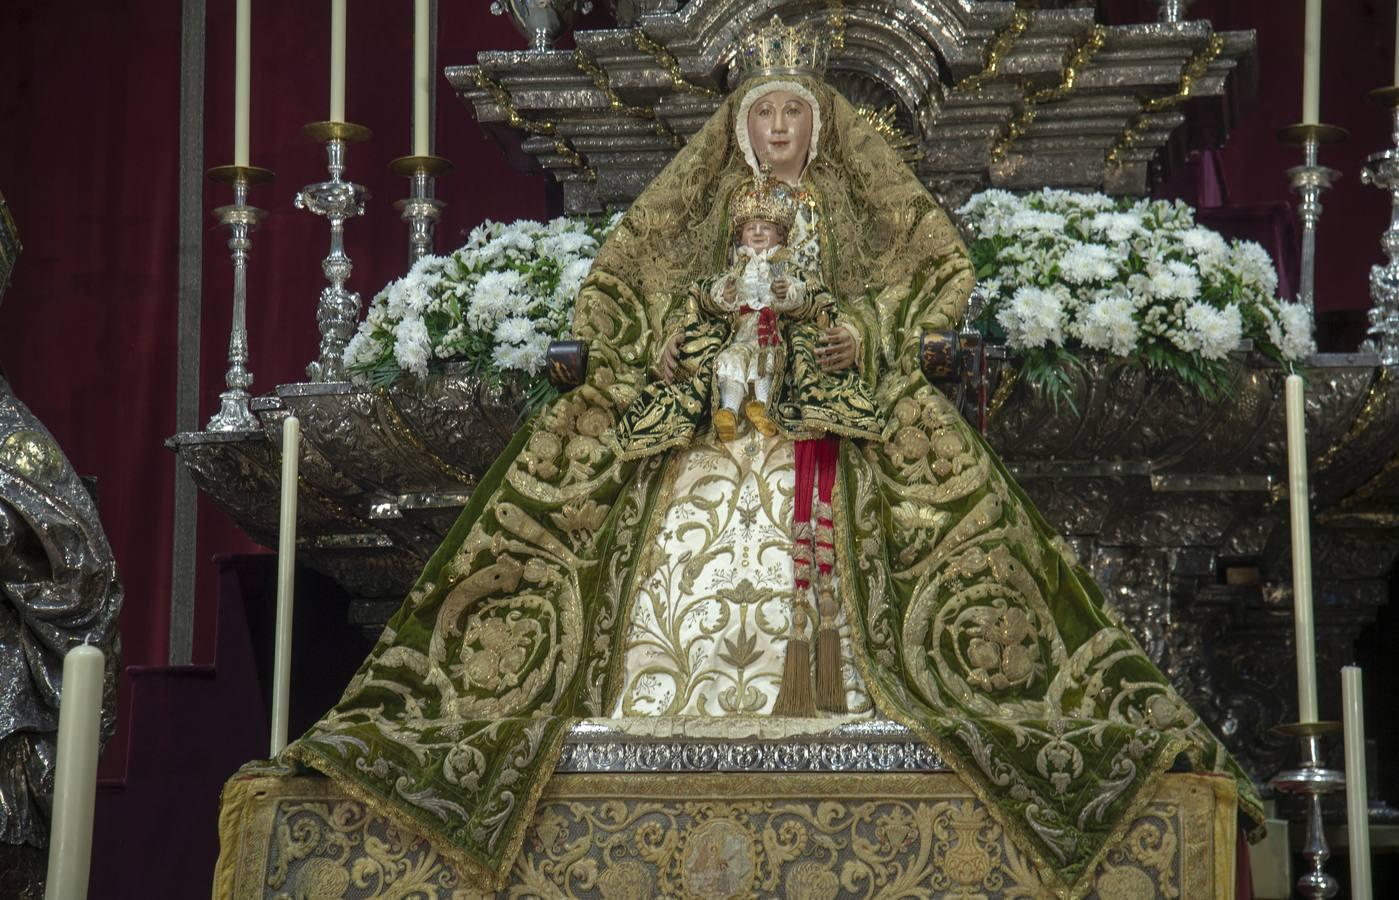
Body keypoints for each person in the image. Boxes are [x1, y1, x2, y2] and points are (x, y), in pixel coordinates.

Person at [279, 17, 1262, 896]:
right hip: (710, 411)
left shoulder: (859, 205)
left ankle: (858, 697)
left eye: (794, 115)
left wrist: (862, 335)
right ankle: (631, 706)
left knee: (942, 529)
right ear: (739, 129)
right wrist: (665, 339)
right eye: (765, 118)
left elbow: (938, 273)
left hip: (832, 415)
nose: (779, 133)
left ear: (819, 123)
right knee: (595, 503)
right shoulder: (698, 206)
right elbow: (620, 291)